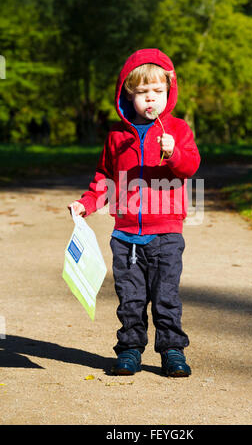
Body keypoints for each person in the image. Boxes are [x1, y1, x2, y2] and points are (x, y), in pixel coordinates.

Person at [68, 48, 201, 377]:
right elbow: (104, 178)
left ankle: (172, 350)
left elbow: (190, 167)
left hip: (167, 233)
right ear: (127, 94)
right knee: (130, 297)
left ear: (169, 92)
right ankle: (129, 349)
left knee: (166, 296)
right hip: (125, 235)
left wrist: (173, 154)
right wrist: (87, 203)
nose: (150, 99)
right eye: (142, 93)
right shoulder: (116, 136)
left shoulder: (178, 131)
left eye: (158, 91)